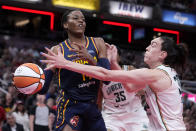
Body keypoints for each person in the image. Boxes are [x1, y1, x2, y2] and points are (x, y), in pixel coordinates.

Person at [41, 36, 188, 131]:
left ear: (163, 55)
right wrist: (113, 62)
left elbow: (106, 74)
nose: (147, 48)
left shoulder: (156, 74)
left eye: (153, 45)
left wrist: (65, 63)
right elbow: (129, 87)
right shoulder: (165, 73)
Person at [39, 9, 109, 131]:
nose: (81, 20)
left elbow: (107, 78)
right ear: (66, 24)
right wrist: (25, 85)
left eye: (83, 19)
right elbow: (43, 88)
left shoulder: (98, 43)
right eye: (76, 18)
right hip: (70, 105)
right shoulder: (57, 50)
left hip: (92, 105)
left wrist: (90, 58)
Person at [99, 44, 149, 131]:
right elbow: (98, 101)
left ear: (118, 57)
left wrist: (138, 88)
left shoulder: (129, 69)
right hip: (112, 117)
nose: (108, 55)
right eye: (105, 53)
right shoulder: (100, 76)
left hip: (135, 115)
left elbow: (143, 91)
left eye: (111, 52)